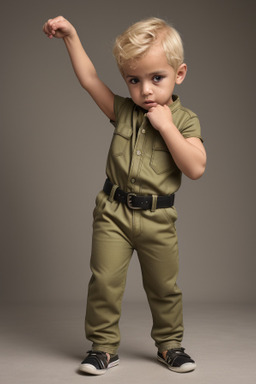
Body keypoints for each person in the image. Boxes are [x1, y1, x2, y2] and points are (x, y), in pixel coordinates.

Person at [43, 16, 206, 376]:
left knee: (164, 285)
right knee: (104, 282)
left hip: (157, 219)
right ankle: (103, 348)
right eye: (134, 80)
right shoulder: (124, 112)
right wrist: (71, 35)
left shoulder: (185, 121)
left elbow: (195, 167)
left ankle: (170, 346)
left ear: (178, 74)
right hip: (113, 213)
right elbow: (89, 79)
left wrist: (166, 128)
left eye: (156, 78)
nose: (145, 90)